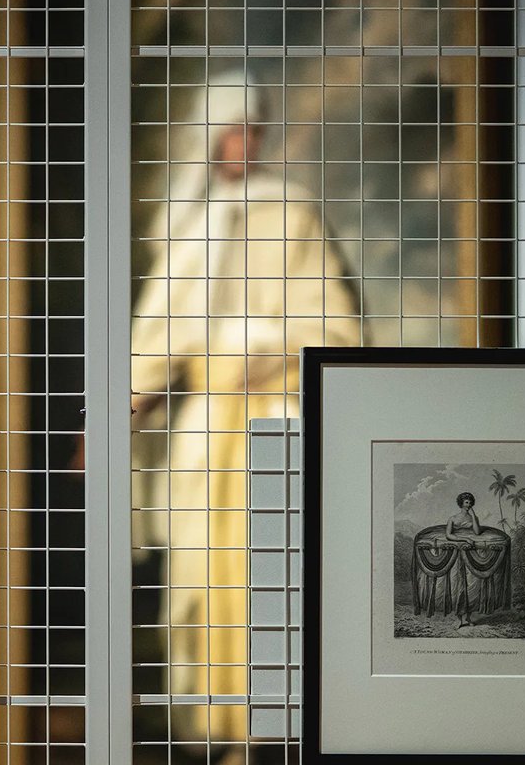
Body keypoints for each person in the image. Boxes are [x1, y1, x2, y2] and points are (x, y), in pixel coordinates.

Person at [128, 70, 360, 740]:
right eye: (234, 128)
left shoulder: (290, 213)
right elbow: (156, 336)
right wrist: (120, 408)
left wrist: (268, 345)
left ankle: (275, 730)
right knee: (199, 572)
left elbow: (336, 328)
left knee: (271, 572)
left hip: (273, 418)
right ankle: (214, 731)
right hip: (206, 431)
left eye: (254, 128)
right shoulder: (190, 227)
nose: (246, 142)